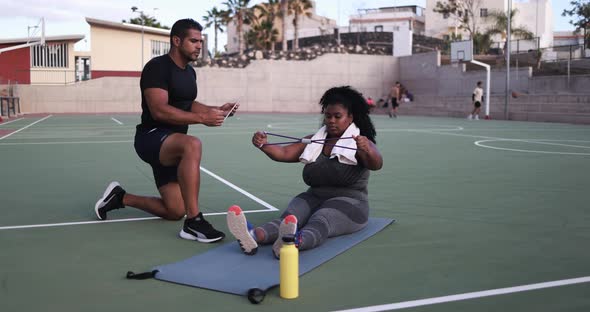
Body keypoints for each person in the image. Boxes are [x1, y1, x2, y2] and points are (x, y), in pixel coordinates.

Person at [94, 19, 238, 243]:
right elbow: (159, 110)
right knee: (192, 144)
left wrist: (216, 110)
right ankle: (194, 222)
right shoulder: (157, 67)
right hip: (151, 138)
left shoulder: (189, 73)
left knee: (173, 210)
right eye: (193, 41)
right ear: (176, 40)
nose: (199, 46)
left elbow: (187, 104)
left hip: (173, 145)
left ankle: (120, 198)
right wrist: (202, 118)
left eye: (200, 41)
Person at [226, 86, 383, 258]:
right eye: (328, 116)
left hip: (351, 203)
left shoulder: (360, 142)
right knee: (291, 218)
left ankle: (291, 243)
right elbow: (284, 153)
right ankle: (255, 235)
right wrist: (263, 144)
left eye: (338, 116)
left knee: (322, 219)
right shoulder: (315, 140)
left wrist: (366, 149)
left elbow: (376, 164)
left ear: (350, 117)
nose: (331, 120)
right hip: (313, 197)